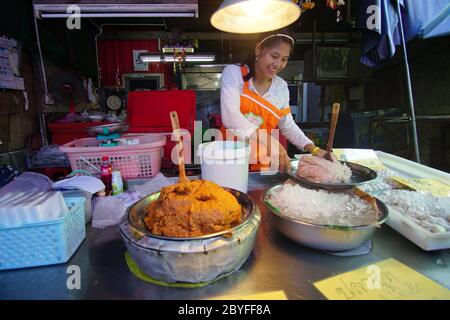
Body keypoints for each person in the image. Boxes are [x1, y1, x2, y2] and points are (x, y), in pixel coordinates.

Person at [220, 31, 334, 172]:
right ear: (258, 49)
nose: (278, 64)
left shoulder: (281, 87)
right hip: (229, 159)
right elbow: (231, 117)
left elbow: (287, 125)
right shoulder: (234, 73)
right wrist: (269, 140)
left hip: (261, 163)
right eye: (274, 56)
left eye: (284, 59)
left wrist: (314, 149)